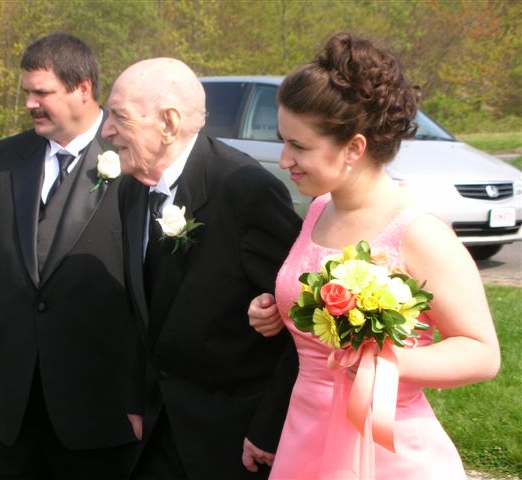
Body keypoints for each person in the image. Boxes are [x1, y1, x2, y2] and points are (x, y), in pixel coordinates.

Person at [248, 33, 501, 479]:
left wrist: (384, 361)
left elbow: (482, 354)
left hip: (385, 446)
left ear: (354, 148)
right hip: (305, 432)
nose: (285, 159)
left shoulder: (419, 233)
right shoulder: (319, 209)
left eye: (299, 146)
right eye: (283, 141)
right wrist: (275, 311)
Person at [0, 33, 141, 479]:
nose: (30, 103)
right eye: (27, 92)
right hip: (13, 405)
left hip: (100, 403)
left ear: (83, 89)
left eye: (42, 92)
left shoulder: (133, 161)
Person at [101, 57, 302, 480]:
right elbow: (137, 308)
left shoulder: (245, 190)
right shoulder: (132, 189)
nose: (106, 131)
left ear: (168, 123)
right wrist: (134, 399)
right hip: (156, 433)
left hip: (230, 441)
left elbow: (301, 322)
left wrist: (269, 428)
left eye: (119, 116)